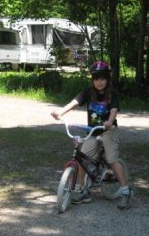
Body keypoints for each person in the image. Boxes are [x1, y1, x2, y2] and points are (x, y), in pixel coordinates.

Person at [51, 61, 132, 209]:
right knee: (81, 158)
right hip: (93, 131)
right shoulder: (88, 92)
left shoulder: (112, 94)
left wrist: (109, 121)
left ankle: (126, 191)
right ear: (92, 79)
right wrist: (60, 112)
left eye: (102, 78)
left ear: (107, 79)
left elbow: (113, 110)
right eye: (96, 78)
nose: (99, 82)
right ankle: (84, 190)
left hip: (108, 130)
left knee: (112, 159)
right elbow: (74, 102)